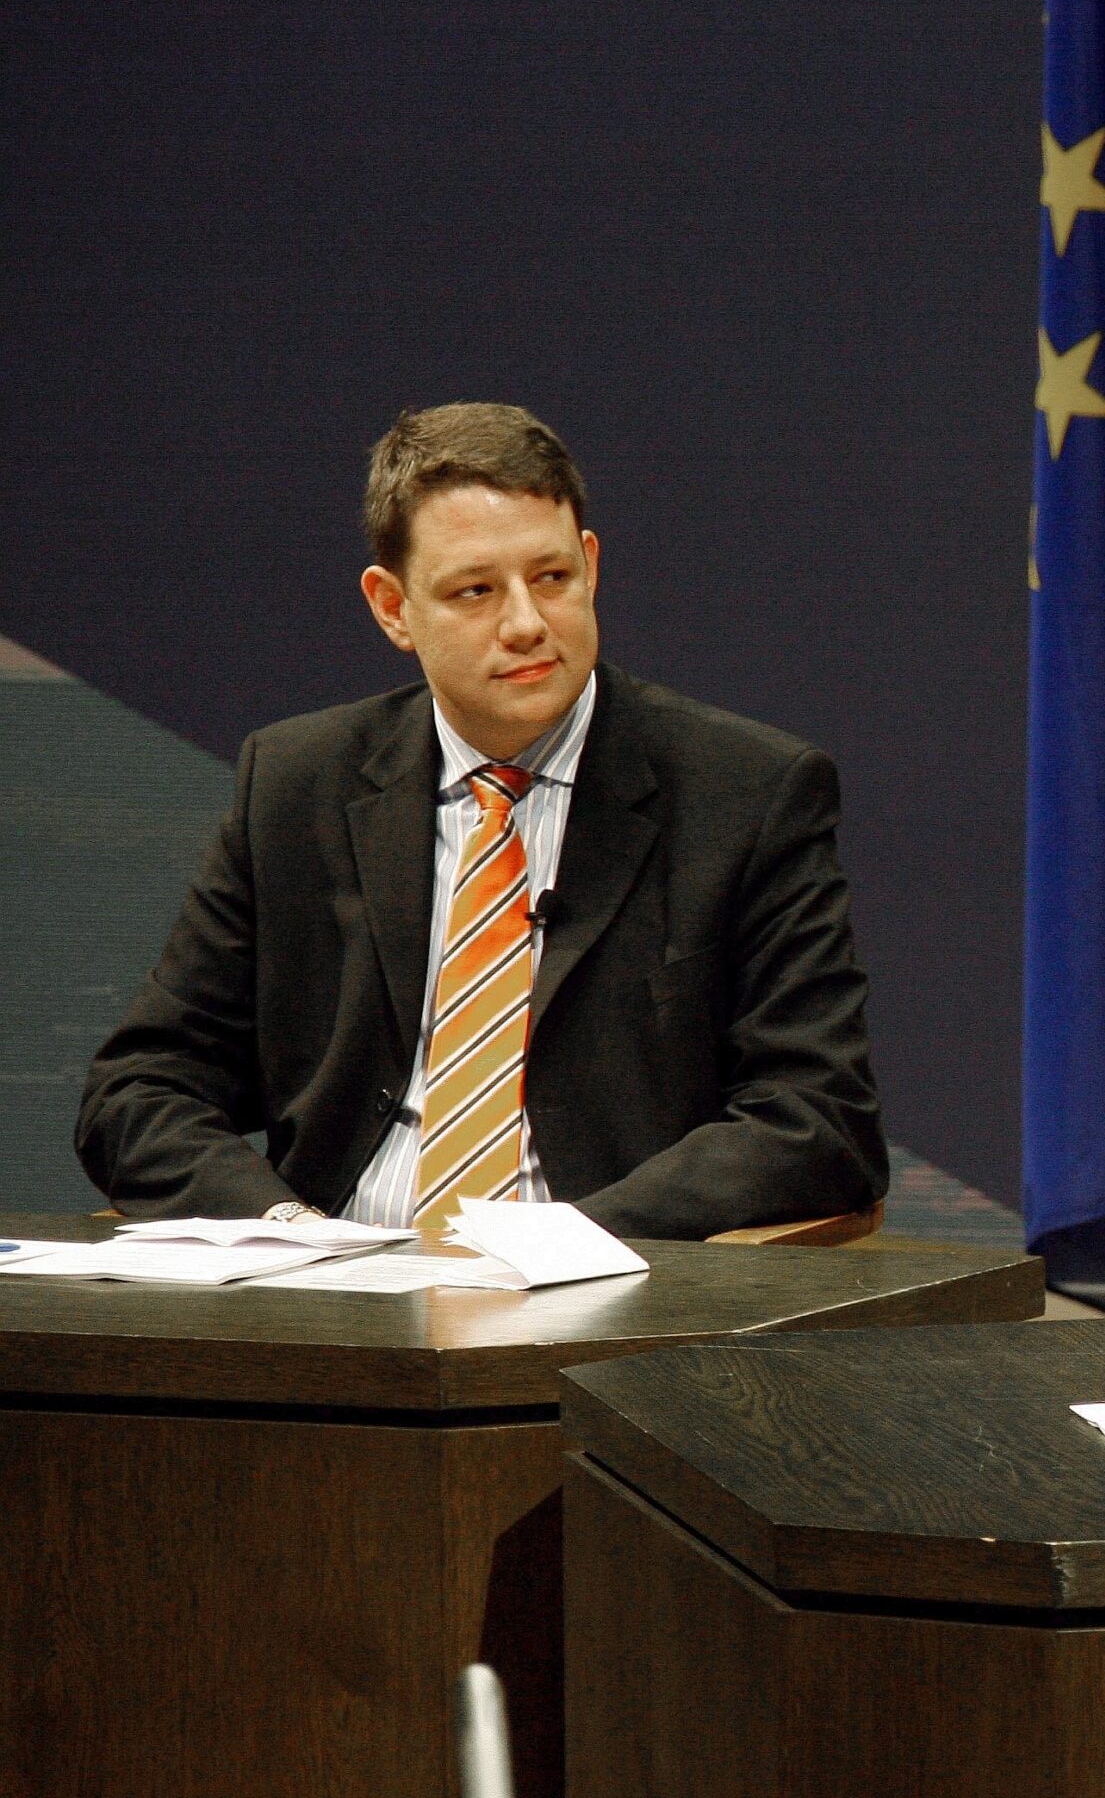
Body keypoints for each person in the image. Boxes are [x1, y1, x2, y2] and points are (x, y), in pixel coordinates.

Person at [78, 402, 889, 1241]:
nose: (527, 624)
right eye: (476, 591)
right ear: (392, 608)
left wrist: (559, 1242)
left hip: (601, 1298)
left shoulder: (748, 792)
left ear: (592, 565)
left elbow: (818, 1119)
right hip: (333, 1292)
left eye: (552, 578)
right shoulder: (296, 784)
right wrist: (285, 1227)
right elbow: (140, 1091)